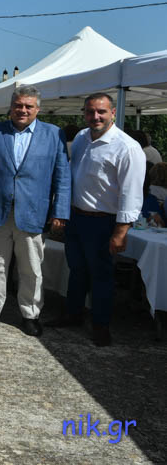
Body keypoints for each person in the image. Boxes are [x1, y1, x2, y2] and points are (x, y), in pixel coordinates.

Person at [0, 86, 70, 337]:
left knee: (31, 268)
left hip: (34, 212)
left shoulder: (53, 134)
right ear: (11, 107)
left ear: (37, 109)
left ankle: (30, 314)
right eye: (18, 105)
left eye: (28, 106)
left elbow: (63, 176)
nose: (23, 110)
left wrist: (60, 212)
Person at [48, 94, 146, 346]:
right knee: (77, 270)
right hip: (76, 217)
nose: (96, 117)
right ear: (84, 113)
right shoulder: (82, 137)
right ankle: (74, 314)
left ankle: (101, 325)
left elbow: (131, 193)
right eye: (90, 112)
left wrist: (121, 231)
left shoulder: (127, 147)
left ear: (113, 112)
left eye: (101, 111)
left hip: (104, 222)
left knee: (101, 275)